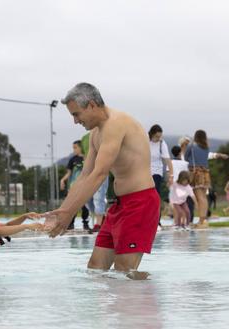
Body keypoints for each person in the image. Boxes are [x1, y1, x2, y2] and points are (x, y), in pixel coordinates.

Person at [46, 83, 160, 280]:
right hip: (119, 206)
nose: (75, 121)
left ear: (91, 105)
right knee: (95, 269)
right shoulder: (95, 134)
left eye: (76, 114)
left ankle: (149, 300)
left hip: (140, 204)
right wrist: (62, 212)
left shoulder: (116, 124)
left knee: (124, 272)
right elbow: (84, 176)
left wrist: (69, 214)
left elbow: (99, 175)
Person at [184, 130, 229, 229]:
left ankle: (201, 221)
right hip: (205, 173)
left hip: (195, 173)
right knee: (203, 197)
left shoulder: (191, 146)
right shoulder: (206, 147)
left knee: (200, 198)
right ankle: (202, 220)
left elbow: (186, 158)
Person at [60, 140, 90, 231]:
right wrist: (62, 180)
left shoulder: (88, 158)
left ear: (81, 147)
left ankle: (85, 223)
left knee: (85, 206)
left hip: (85, 186)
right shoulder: (72, 159)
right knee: (73, 205)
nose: (74, 150)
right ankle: (71, 224)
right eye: (73, 148)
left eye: (75, 147)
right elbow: (69, 173)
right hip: (74, 186)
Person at [81, 132, 108, 232]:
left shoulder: (103, 135)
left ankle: (98, 224)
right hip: (89, 172)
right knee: (87, 199)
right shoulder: (84, 138)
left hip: (101, 170)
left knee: (98, 197)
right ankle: (102, 219)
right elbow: (85, 156)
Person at [148, 124, 173, 229]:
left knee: (155, 197)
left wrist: (171, 174)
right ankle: (146, 220)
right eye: (157, 136)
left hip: (157, 172)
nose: (158, 138)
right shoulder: (146, 141)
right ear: (152, 134)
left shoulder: (162, 143)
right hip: (145, 171)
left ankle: (157, 221)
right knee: (145, 197)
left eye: (160, 136)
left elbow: (167, 160)